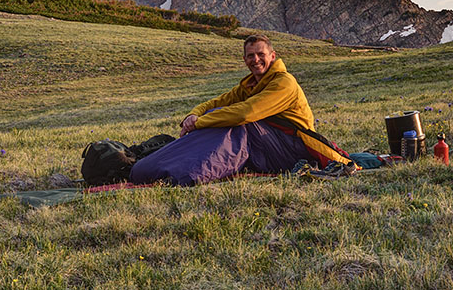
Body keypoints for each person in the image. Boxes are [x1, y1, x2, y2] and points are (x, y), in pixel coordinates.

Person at [130, 34, 349, 186]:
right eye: (250, 56)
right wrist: (194, 115)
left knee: (242, 125)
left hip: (295, 150)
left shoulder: (284, 83)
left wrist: (201, 122)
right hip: (271, 148)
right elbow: (217, 103)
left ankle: (187, 174)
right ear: (245, 60)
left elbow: (246, 113)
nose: (256, 60)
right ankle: (163, 167)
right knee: (222, 116)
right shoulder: (250, 85)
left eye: (260, 54)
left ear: (273, 56)